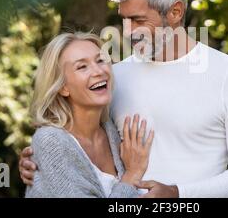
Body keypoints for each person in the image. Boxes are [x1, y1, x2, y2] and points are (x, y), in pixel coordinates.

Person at [20, 0, 228, 198]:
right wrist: (42, 159)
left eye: (138, 20)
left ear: (175, 12)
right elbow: (81, 139)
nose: (127, 32)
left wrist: (177, 194)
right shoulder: (115, 77)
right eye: (123, 20)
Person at [25, 32, 154, 197]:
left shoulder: (113, 132)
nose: (98, 71)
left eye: (100, 60)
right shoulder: (50, 141)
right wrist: (132, 175)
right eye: (82, 67)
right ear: (62, 87)